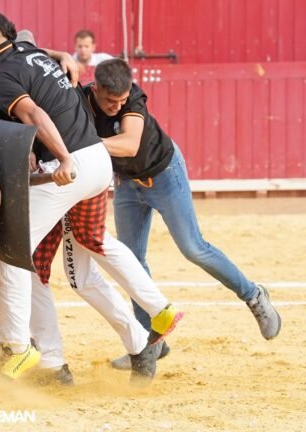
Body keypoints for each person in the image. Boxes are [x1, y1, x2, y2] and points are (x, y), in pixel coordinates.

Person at [0, 8, 180, 384]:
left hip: (63, 171)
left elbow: (33, 116)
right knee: (84, 267)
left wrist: (60, 158)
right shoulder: (38, 56)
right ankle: (148, 327)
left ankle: (19, 345)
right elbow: (35, 58)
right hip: (94, 163)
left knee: (14, 252)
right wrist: (60, 56)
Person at [80, 58, 282, 369]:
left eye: (121, 100)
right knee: (131, 262)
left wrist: (87, 144)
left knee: (193, 248)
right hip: (127, 184)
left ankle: (254, 295)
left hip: (163, 174)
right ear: (96, 89)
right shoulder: (82, 100)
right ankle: (150, 342)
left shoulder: (133, 96)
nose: (117, 106)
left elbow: (131, 144)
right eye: (110, 100)